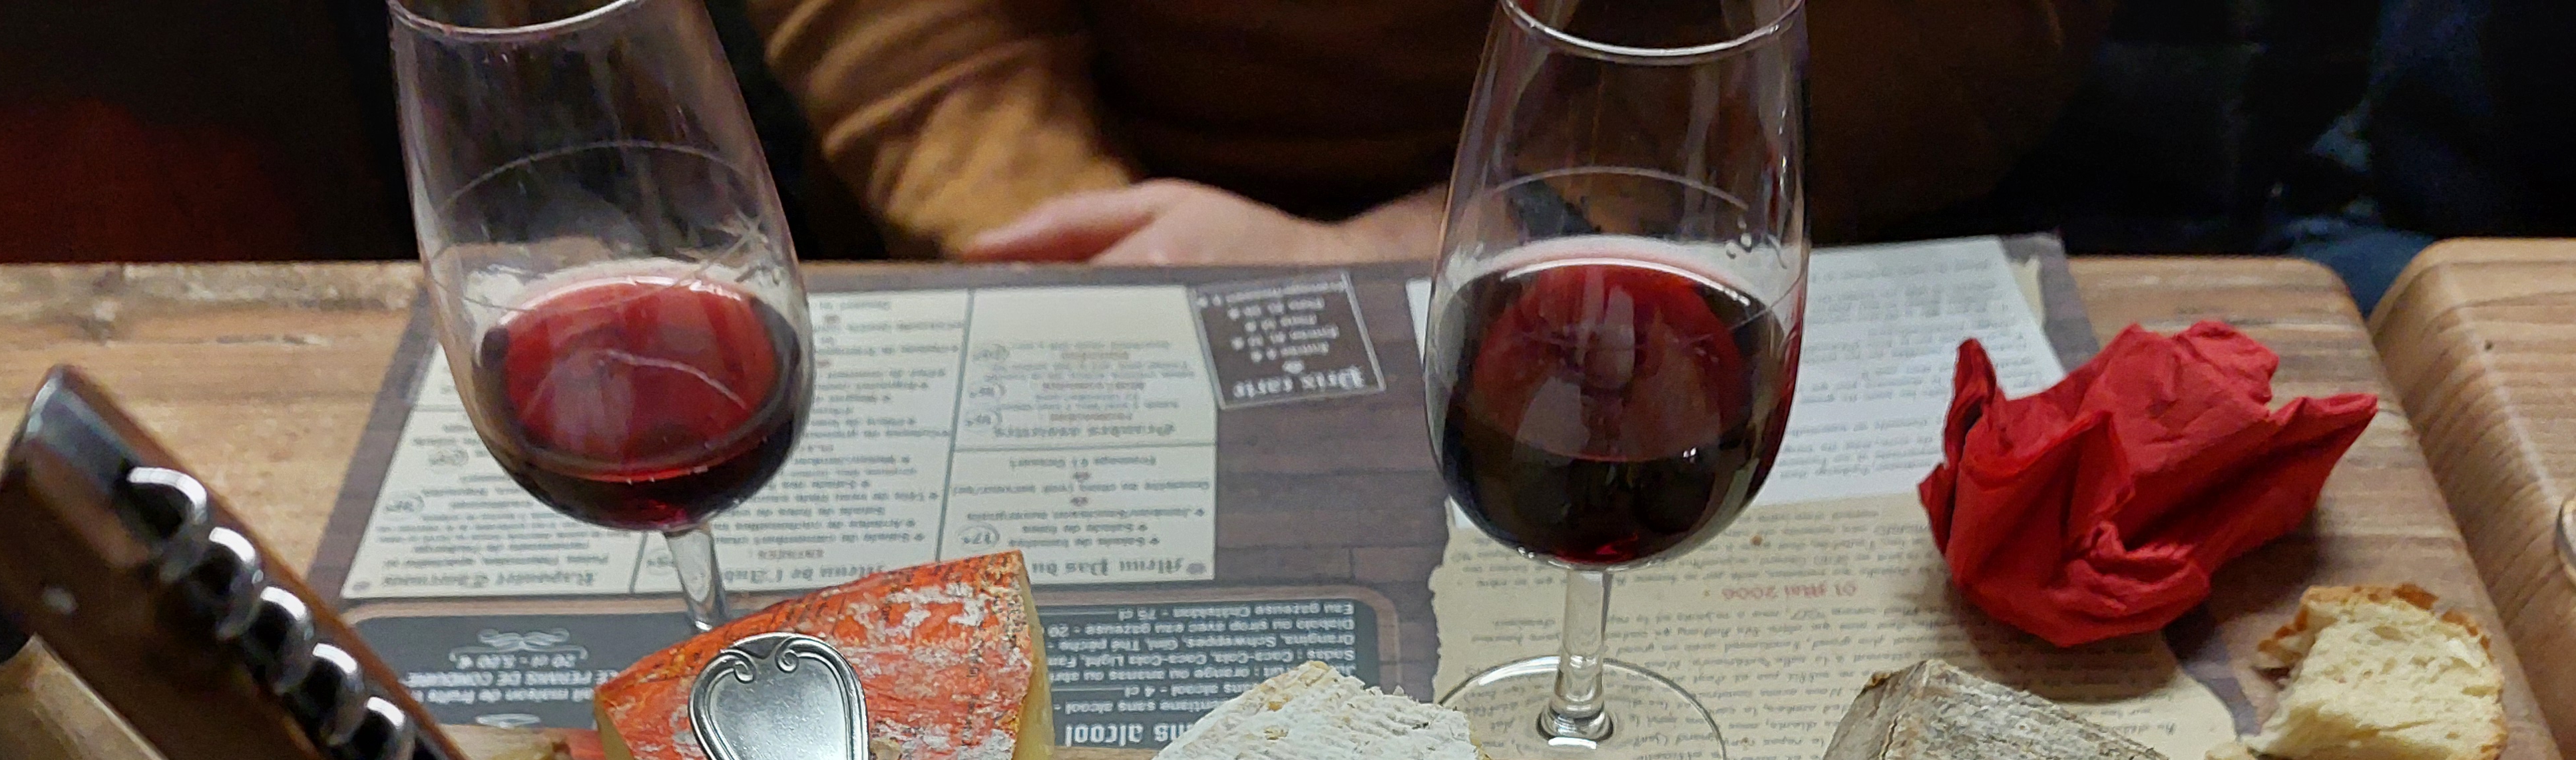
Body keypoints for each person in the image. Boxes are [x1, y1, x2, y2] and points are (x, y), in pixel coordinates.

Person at [740, 0, 2115, 262]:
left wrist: (1463, 237)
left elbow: (1971, 37)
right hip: (1070, 233)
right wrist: (1070, 237)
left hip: (1661, 197)